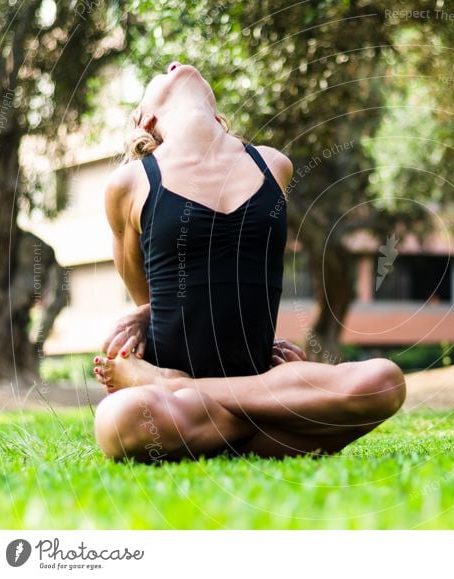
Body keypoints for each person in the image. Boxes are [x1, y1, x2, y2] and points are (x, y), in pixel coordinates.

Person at [92, 62, 405, 461]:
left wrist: (160, 380)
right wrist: (142, 316)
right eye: (160, 75)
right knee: (120, 420)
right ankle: (271, 426)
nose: (174, 65)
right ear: (146, 120)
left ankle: (197, 406)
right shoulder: (130, 183)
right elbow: (146, 297)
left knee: (385, 380)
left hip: (221, 383)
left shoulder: (273, 165)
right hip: (193, 407)